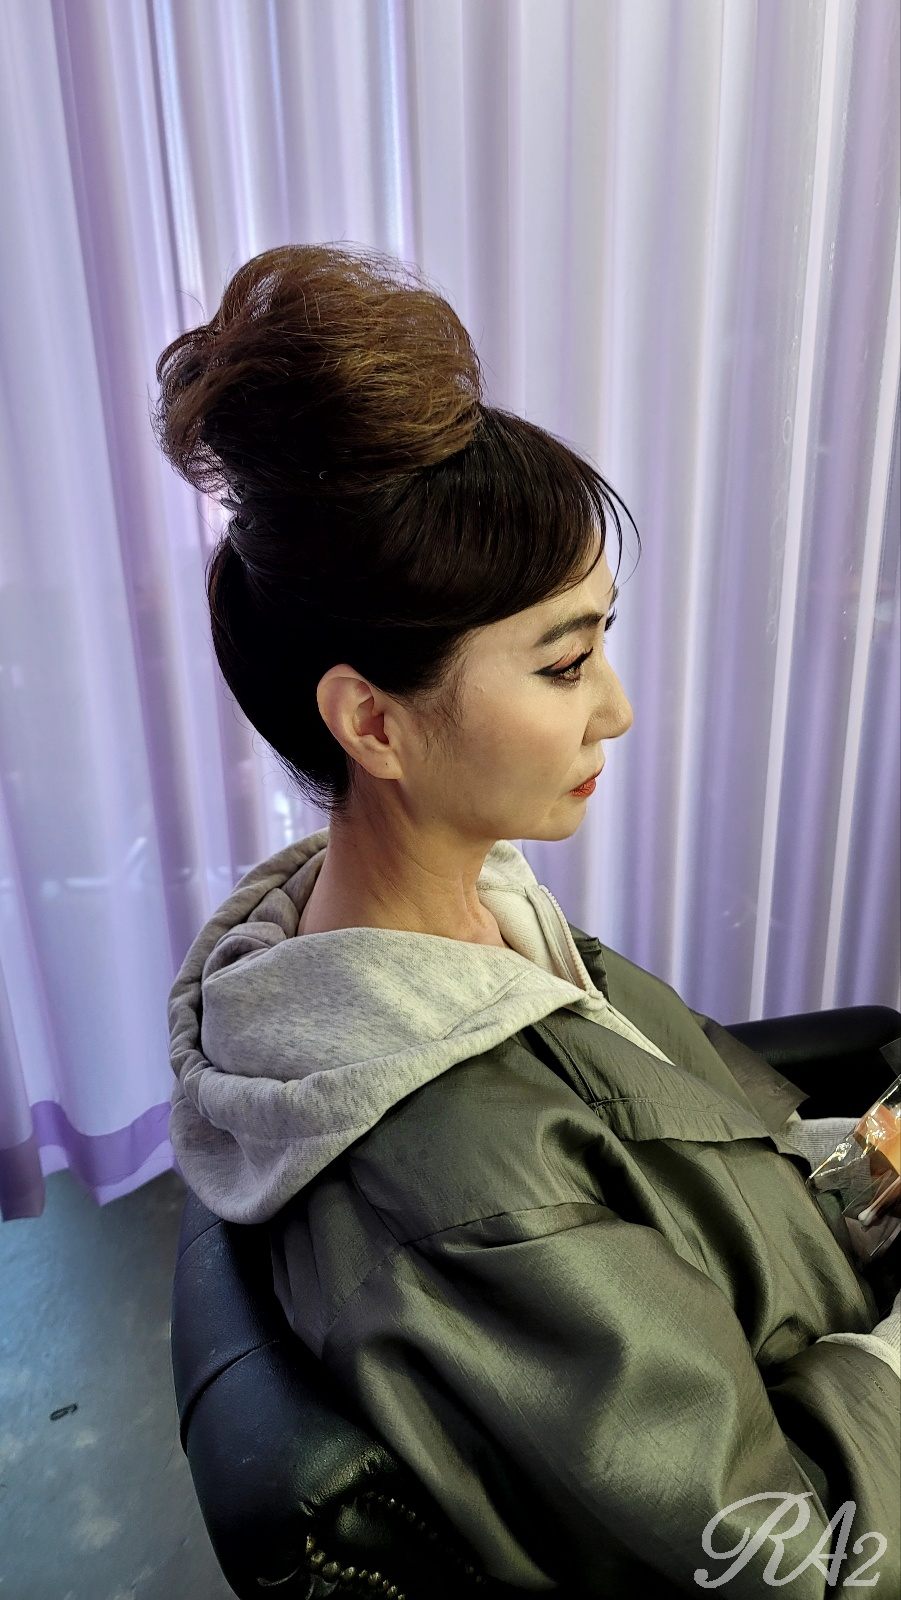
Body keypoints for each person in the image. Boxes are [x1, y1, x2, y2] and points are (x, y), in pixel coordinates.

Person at [157, 244, 900, 1597]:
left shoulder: (446, 913)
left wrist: (854, 1173)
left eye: (602, 639)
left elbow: (677, 1182)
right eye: (564, 663)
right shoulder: (468, 1191)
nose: (616, 708)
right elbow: (795, 1559)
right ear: (372, 722)